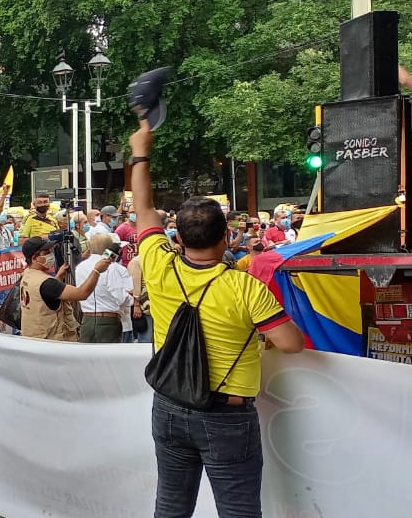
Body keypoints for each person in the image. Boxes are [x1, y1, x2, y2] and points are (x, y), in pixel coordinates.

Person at [124, 107, 304, 516]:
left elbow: (143, 207)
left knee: (171, 506)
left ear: (178, 236)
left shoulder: (157, 261)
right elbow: (290, 344)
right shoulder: (245, 288)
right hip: (227, 416)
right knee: (238, 510)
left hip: (168, 407)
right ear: (227, 238)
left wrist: (141, 151)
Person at [18, 236, 109, 341]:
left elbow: (45, 294)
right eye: (46, 252)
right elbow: (82, 293)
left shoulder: (27, 274)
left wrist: (59, 277)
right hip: (53, 342)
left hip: (33, 338)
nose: (50, 255)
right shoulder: (47, 283)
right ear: (34, 258)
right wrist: (96, 271)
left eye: (50, 251)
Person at [73, 234, 134, 343]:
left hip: (86, 319)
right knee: (109, 358)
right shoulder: (111, 266)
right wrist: (131, 298)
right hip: (108, 321)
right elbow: (120, 297)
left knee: (87, 358)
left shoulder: (80, 267)